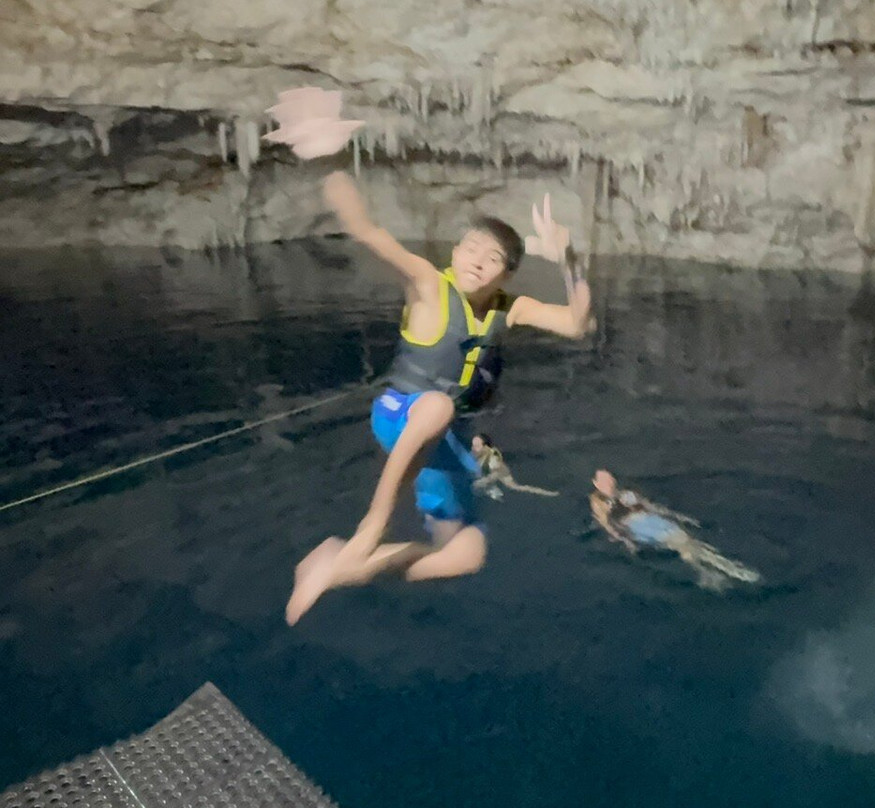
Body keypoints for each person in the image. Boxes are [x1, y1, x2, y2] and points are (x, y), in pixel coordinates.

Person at [285, 172, 592, 625]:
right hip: (401, 414)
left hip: (443, 443)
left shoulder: (511, 307)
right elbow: (368, 231)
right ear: (455, 251)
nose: (477, 262)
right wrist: (327, 161)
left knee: (466, 552)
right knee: (438, 406)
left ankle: (335, 569)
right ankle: (372, 526)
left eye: (493, 259)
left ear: (507, 273)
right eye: (470, 248)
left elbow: (577, 324)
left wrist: (567, 258)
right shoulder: (430, 283)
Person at [589, 469, 760, 591]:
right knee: (679, 543)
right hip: (637, 527)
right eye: (604, 481)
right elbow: (606, 524)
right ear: (596, 484)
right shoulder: (598, 502)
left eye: (610, 479)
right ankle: (714, 571)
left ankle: (722, 569)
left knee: (687, 541)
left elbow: (653, 507)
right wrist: (625, 540)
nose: (609, 483)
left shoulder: (627, 494)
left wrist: (680, 517)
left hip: (653, 520)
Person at [471, 433, 559, 500]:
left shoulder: (493, 461)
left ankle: (549, 493)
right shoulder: (478, 454)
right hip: (490, 471)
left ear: (486, 447)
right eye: (473, 445)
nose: (473, 448)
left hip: (502, 473)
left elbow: (496, 474)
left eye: (477, 446)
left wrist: (483, 481)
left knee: (515, 487)